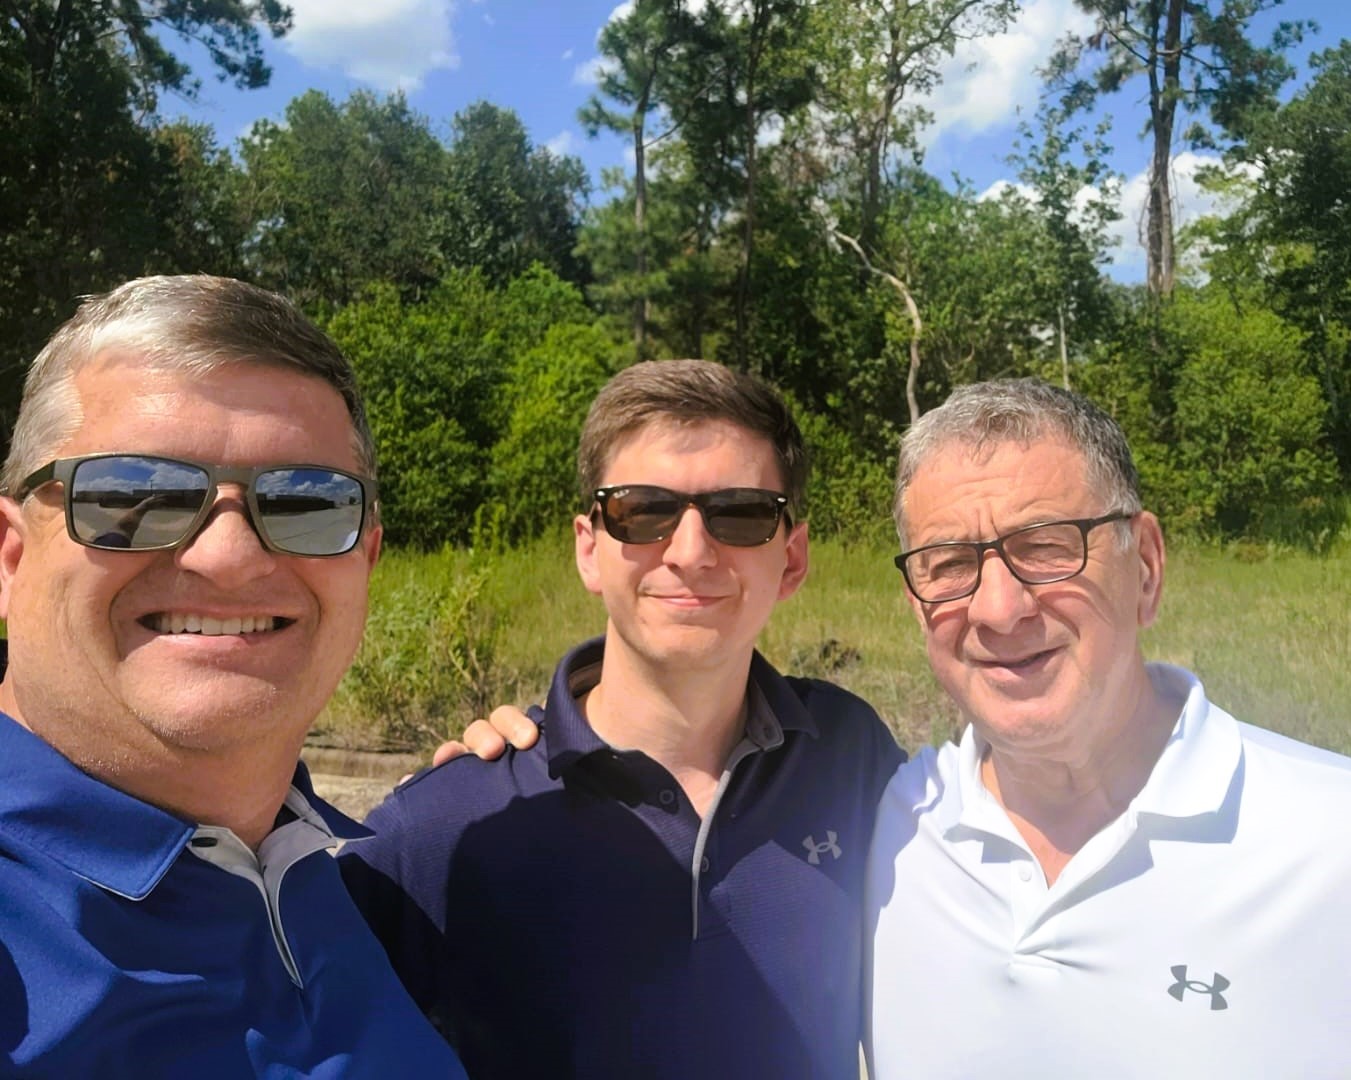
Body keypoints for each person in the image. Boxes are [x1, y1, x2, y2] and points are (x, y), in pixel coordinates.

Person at [339, 360, 904, 1079]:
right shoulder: (440, 829)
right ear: (588, 548)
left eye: (740, 513)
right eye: (643, 511)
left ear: (791, 557)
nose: (690, 552)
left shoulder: (853, 759)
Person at [0, 275, 468, 1077]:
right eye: (132, 493)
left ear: (366, 559)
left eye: (307, 502)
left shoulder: (343, 879)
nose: (228, 557)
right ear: (11, 557)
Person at [867, 378, 1351, 1077]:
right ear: (918, 607)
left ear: (1145, 566)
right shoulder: (890, 829)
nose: (998, 610)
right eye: (948, 564)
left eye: (1044, 546)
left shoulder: (1329, 838)